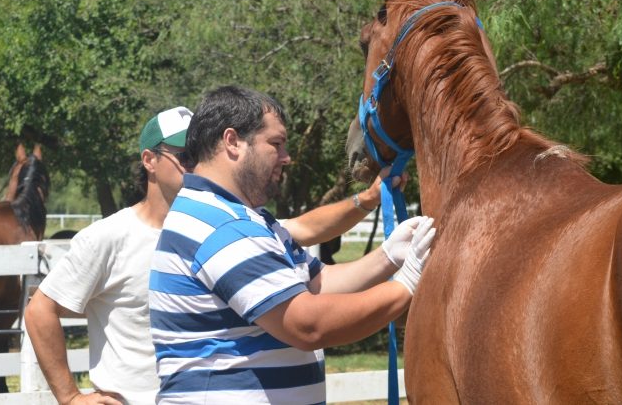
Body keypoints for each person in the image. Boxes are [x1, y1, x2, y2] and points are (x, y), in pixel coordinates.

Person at [25, 106, 390, 405]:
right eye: (184, 155)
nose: (194, 162)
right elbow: (40, 309)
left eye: (199, 151)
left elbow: (305, 228)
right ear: (149, 160)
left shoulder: (227, 227)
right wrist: (71, 397)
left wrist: (367, 201)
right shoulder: (108, 237)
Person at [149, 86, 436, 404]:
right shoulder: (221, 225)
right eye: (276, 144)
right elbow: (308, 325)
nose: (286, 158)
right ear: (232, 142)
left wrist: (388, 257)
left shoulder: (247, 219)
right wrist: (406, 287)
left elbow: (319, 282)